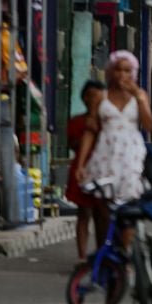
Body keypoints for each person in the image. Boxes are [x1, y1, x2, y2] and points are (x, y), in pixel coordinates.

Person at [75, 51, 152, 248]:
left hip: (131, 156)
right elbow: (90, 131)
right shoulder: (101, 97)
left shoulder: (140, 95)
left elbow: (149, 125)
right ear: (110, 72)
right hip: (106, 155)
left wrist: (140, 98)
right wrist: (81, 163)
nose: (122, 75)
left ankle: (126, 256)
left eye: (127, 70)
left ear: (133, 73)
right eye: (117, 69)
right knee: (103, 211)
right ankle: (104, 253)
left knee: (128, 207)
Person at [65, 80, 105, 261]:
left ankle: (101, 254)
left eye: (96, 96)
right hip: (83, 170)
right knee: (84, 213)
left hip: (104, 171)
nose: (92, 100)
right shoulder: (76, 121)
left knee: (101, 216)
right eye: (89, 96)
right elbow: (74, 145)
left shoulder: (109, 121)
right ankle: (82, 256)